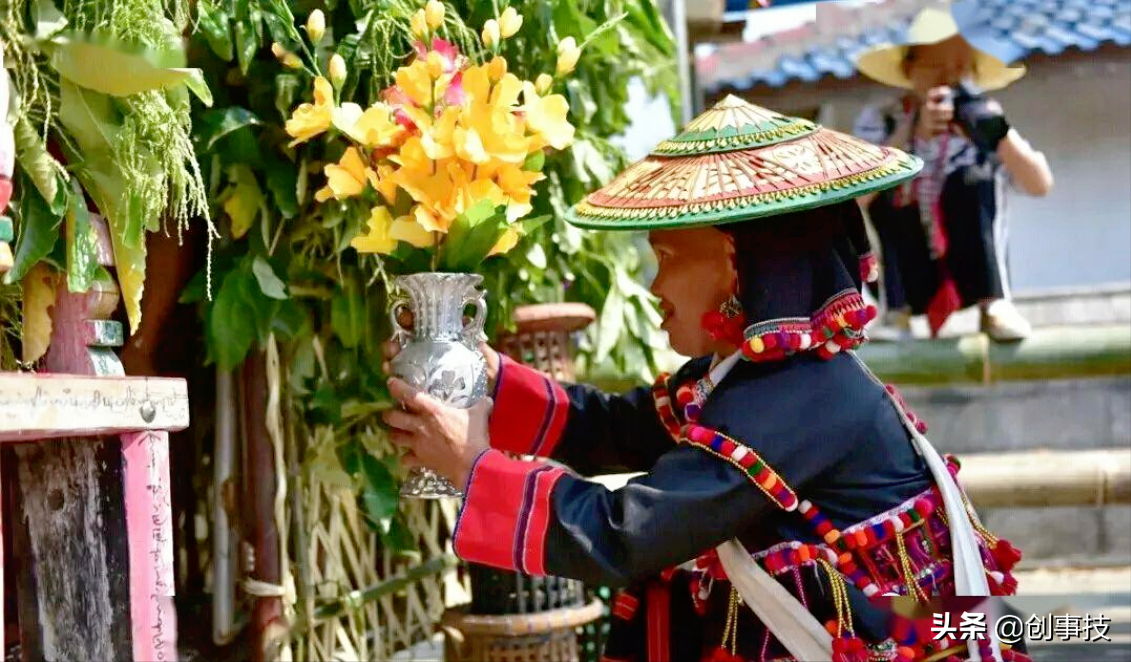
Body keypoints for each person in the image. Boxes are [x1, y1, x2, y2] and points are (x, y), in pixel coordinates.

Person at [383, 96, 1028, 661]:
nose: (655, 287)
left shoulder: (792, 397)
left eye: (665, 258)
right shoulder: (746, 376)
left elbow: (626, 534)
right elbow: (613, 428)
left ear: (734, 263)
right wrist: (489, 377)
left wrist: (474, 470)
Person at [853, 5, 1053, 341]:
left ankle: (995, 304)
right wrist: (910, 135)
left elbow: (1039, 184)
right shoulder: (883, 120)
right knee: (883, 185)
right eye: (935, 66)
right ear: (909, 69)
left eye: (959, 68)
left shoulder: (984, 120)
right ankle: (895, 313)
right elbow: (858, 198)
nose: (947, 78)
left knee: (977, 181)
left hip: (972, 264)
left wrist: (998, 134)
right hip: (908, 267)